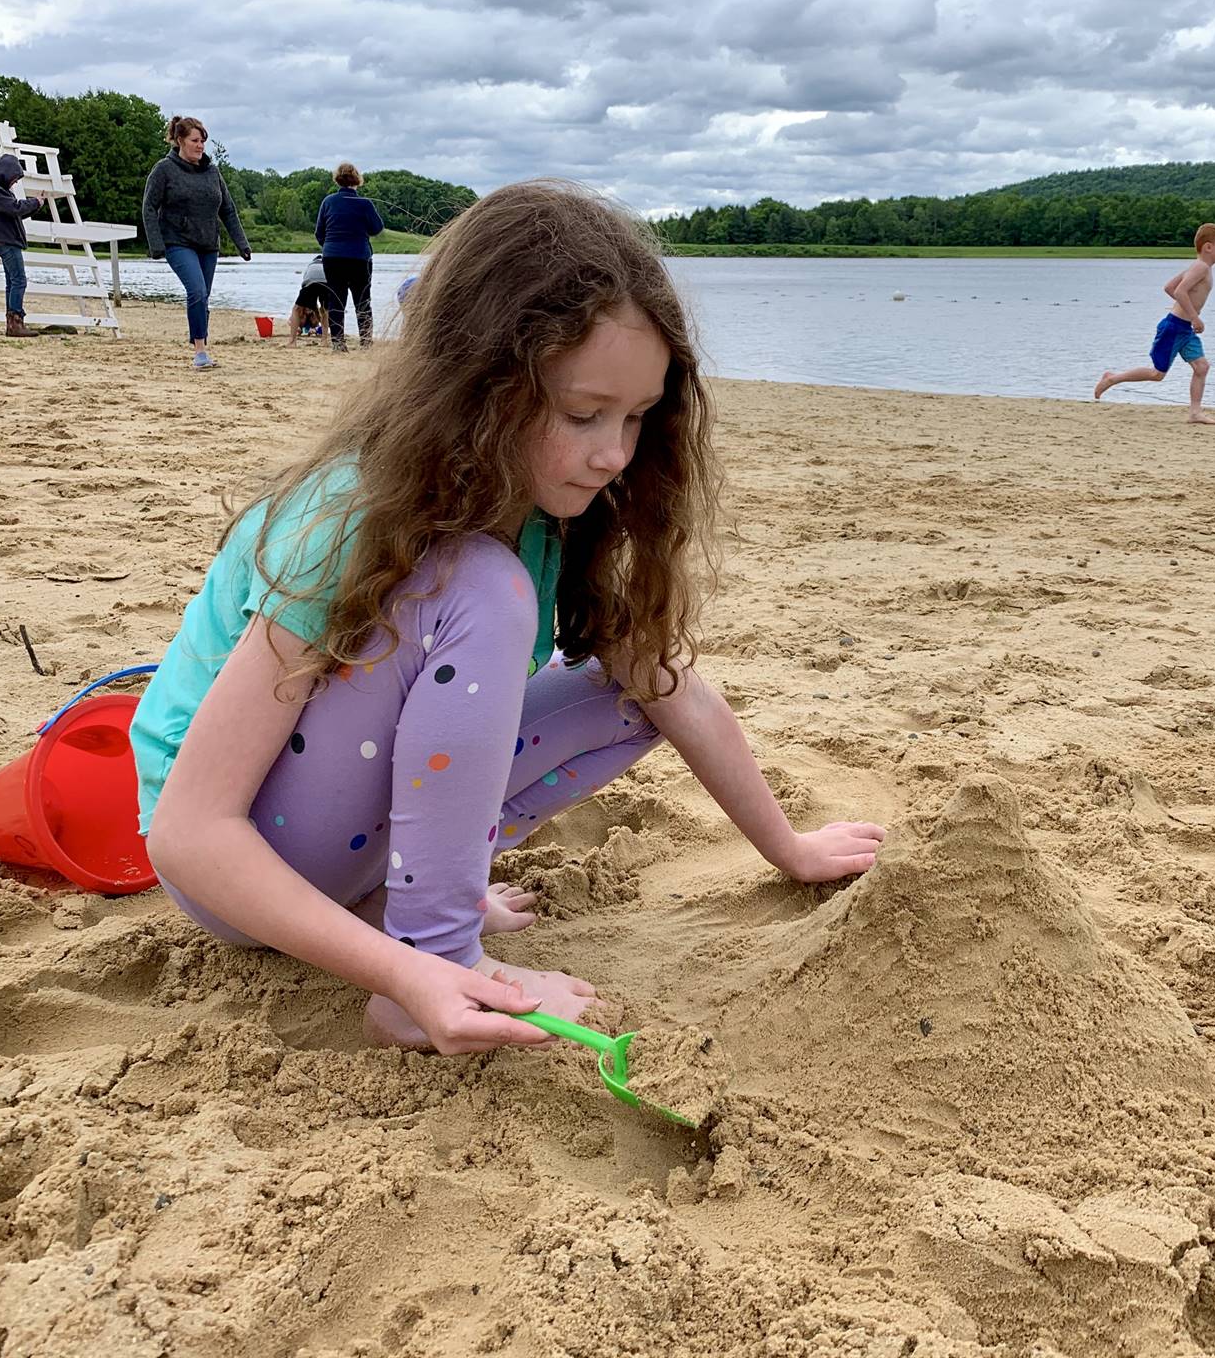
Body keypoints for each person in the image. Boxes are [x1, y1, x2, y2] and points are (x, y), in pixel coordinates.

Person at [132, 180, 886, 1054]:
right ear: (478, 386)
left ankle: (411, 900)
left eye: (637, 417)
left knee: (633, 690)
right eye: (582, 413)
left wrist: (788, 847)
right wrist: (424, 971)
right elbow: (190, 835)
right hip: (242, 872)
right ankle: (434, 945)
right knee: (483, 588)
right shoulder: (352, 511)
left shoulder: (543, 513)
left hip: (343, 861)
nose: (614, 453)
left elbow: (674, 689)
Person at [141, 116, 251, 370]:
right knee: (197, 292)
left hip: (208, 243)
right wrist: (156, 244)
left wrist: (241, 243)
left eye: (203, 141)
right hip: (177, 241)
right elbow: (149, 206)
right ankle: (200, 352)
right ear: (180, 140)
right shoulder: (164, 170)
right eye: (195, 140)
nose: (200, 145)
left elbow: (228, 210)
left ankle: (200, 342)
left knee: (203, 298)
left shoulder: (212, 172)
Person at [1093, 223, 1215, 425]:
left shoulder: (1200, 267)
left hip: (1185, 330)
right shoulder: (1200, 267)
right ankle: (1112, 378)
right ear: (1208, 247)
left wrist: (1189, 315)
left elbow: (1169, 287)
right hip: (1174, 327)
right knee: (1157, 374)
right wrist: (1194, 316)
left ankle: (1195, 412)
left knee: (1202, 367)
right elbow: (1180, 291)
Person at [314, 162, 383, 352]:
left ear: (338, 179)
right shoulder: (365, 204)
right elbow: (377, 228)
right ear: (357, 180)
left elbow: (319, 232)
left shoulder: (328, 202)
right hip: (359, 256)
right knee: (362, 300)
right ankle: (366, 342)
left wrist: (329, 247)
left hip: (333, 257)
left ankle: (338, 342)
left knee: (336, 299)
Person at [0, 154, 46, 338]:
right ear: (6, 173)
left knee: (12, 281)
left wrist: (34, 205)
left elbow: (13, 211)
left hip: (2, 240)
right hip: (6, 241)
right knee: (19, 280)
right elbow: (15, 208)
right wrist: (36, 202)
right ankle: (16, 322)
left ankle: (13, 322)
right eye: (14, 178)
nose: (14, 182)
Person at [288, 255, 335, 347]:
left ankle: (292, 342)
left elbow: (304, 284)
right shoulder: (329, 264)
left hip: (311, 281)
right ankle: (324, 341)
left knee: (296, 309)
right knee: (325, 310)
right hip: (326, 281)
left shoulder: (311, 265)